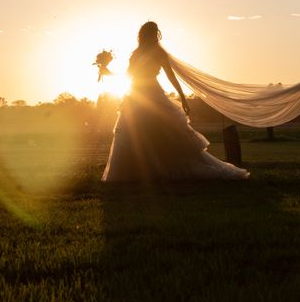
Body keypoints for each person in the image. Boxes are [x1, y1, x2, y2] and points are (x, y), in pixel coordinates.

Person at [101, 21, 249, 182]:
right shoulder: (137, 53)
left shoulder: (156, 53)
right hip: (137, 95)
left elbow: (171, 77)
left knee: (154, 133)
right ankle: (141, 172)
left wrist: (183, 98)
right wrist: (108, 72)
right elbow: (130, 75)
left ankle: (155, 171)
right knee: (135, 133)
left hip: (149, 95)